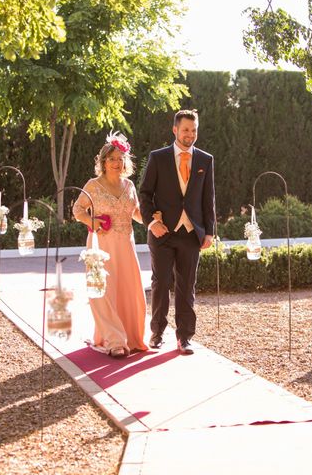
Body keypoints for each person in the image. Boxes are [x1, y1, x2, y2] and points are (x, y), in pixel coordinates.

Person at [139, 109, 215, 355]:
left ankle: (184, 337)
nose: (190, 135)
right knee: (161, 282)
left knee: (187, 285)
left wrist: (209, 231)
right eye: (185, 130)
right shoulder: (158, 157)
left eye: (194, 130)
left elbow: (208, 199)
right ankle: (157, 332)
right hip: (162, 233)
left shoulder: (205, 160)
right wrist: (152, 222)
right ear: (175, 130)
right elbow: (145, 194)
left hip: (191, 233)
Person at [73, 132, 148, 358]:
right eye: (112, 158)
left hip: (126, 246)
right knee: (103, 292)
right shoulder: (93, 185)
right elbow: (78, 210)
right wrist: (93, 222)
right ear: (103, 161)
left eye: (120, 158)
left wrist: (153, 218)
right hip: (101, 246)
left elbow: (135, 213)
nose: (117, 163)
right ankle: (115, 340)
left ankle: (131, 337)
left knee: (130, 292)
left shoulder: (130, 186)